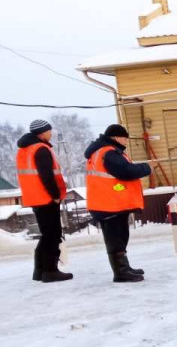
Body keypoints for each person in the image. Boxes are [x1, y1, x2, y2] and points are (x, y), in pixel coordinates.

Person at [85, 123, 157, 283]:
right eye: (125, 138)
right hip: (109, 204)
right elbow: (126, 171)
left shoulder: (102, 151)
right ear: (116, 137)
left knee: (120, 236)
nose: (126, 141)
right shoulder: (109, 152)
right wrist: (147, 168)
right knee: (116, 238)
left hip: (109, 202)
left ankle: (124, 267)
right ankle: (121, 272)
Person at [15, 118, 72, 283]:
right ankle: (50, 271)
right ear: (42, 132)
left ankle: (39, 270)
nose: (51, 133)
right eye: (49, 130)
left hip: (35, 197)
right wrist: (55, 195)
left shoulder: (25, 150)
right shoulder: (41, 149)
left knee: (46, 234)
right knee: (53, 235)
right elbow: (47, 176)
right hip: (46, 197)